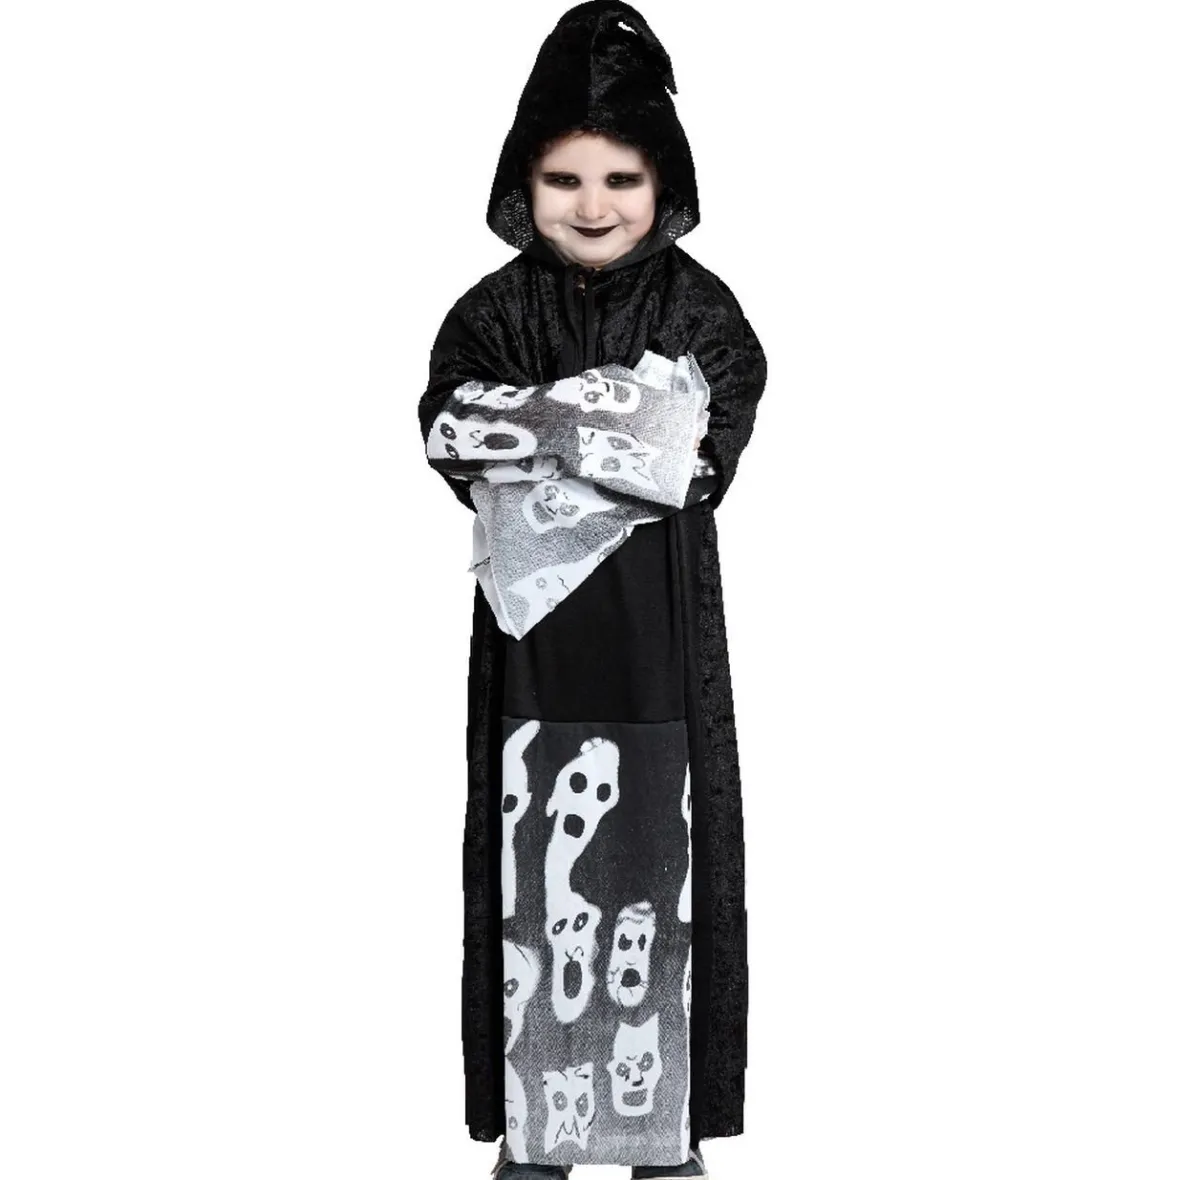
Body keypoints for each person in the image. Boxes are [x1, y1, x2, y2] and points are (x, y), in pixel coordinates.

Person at [417, 4, 768, 1178]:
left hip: (658, 637)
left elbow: (695, 453)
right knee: (534, 864)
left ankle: (661, 1134)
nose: (593, 203)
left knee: (664, 864)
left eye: (621, 177)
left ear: (663, 184)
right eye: (563, 178)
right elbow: (452, 429)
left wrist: (551, 426)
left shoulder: (700, 307)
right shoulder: (492, 309)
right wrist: (617, 421)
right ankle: (538, 1129)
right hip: (536, 638)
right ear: (524, 184)